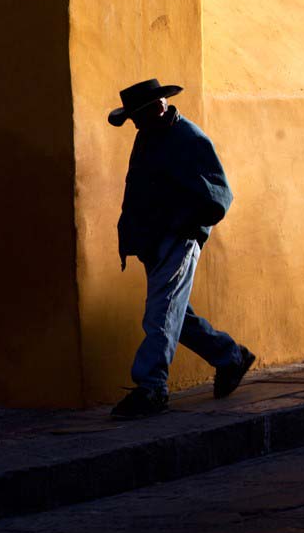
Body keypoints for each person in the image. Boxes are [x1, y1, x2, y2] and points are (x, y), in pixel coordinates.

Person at [106, 78, 255, 419]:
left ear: (158, 106)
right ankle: (230, 355)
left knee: (160, 311)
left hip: (176, 237)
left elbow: (218, 196)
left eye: (138, 115)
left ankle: (152, 387)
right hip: (152, 240)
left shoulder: (188, 138)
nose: (135, 123)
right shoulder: (148, 137)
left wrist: (180, 226)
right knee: (173, 312)